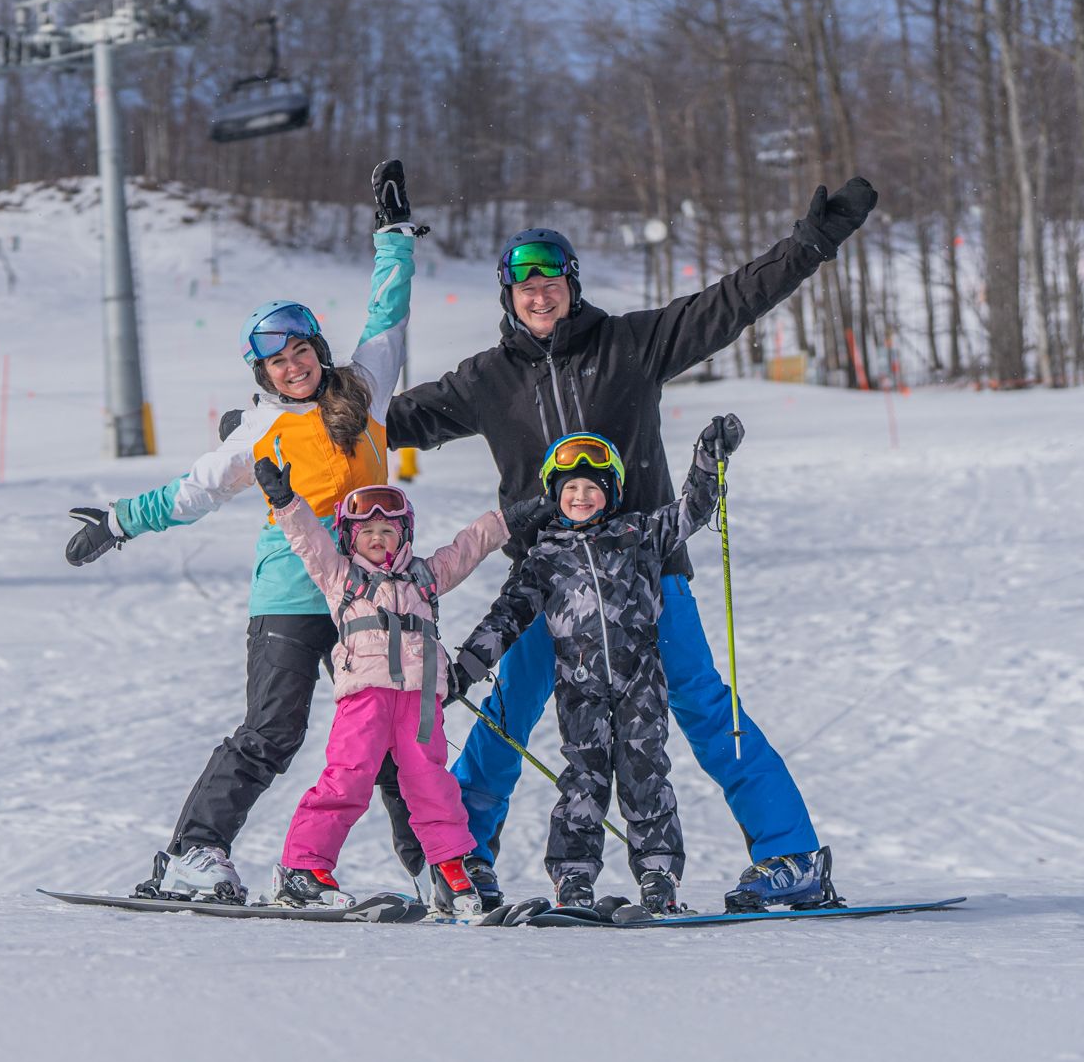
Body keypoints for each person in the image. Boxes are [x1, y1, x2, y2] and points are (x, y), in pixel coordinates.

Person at [385, 177, 878, 912]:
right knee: (502, 720)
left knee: (706, 706)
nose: (539, 294)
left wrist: (809, 245)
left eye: (551, 280)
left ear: (571, 286)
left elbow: (729, 304)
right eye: (525, 285)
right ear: (506, 296)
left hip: (646, 573)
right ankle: (460, 862)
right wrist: (278, 425)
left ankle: (792, 855)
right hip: (545, 584)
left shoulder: (629, 346)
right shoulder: (486, 379)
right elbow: (382, 424)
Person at [62, 160, 425, 903]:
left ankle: (440, 866)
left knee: (394, 732)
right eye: (276, 361)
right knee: (273, 730)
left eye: (300, 351)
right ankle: (194, 853)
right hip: (293, 592)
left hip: (368, 594)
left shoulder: (366, 388)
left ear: (317, 347)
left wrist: (392, 237)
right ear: (262, 373)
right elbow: (194, 492)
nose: (293, 367)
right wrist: (119, 522)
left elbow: (390, 310)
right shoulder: (258, 431)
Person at [451, 421, 740, 916]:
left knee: (644, 773)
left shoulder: (638, 535)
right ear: (554, 494)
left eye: (592, 487)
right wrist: (464, 669)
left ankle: (658, 875)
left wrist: (707, 463)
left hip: (640, 683)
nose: (581, 496)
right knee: (583, 781)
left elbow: (692, 509)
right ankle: (574, 879)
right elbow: (507, 616)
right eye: (571, 488)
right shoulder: (543, 557)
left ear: (611, 493)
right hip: (580, 690)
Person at [258, 464, 541, 915]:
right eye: (366, 530)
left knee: (433, 785)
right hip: (365, 700)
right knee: (347, 778)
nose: (377, 538)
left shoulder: (425, 578)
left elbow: (469, 547)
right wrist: (285, 501)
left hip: (419, 703)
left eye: (387, 530)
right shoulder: (341, 578)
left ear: (403, 535)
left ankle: (450, 870)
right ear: (350, 538)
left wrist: (510, 519)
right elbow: (308, 541)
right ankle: (303, 868)